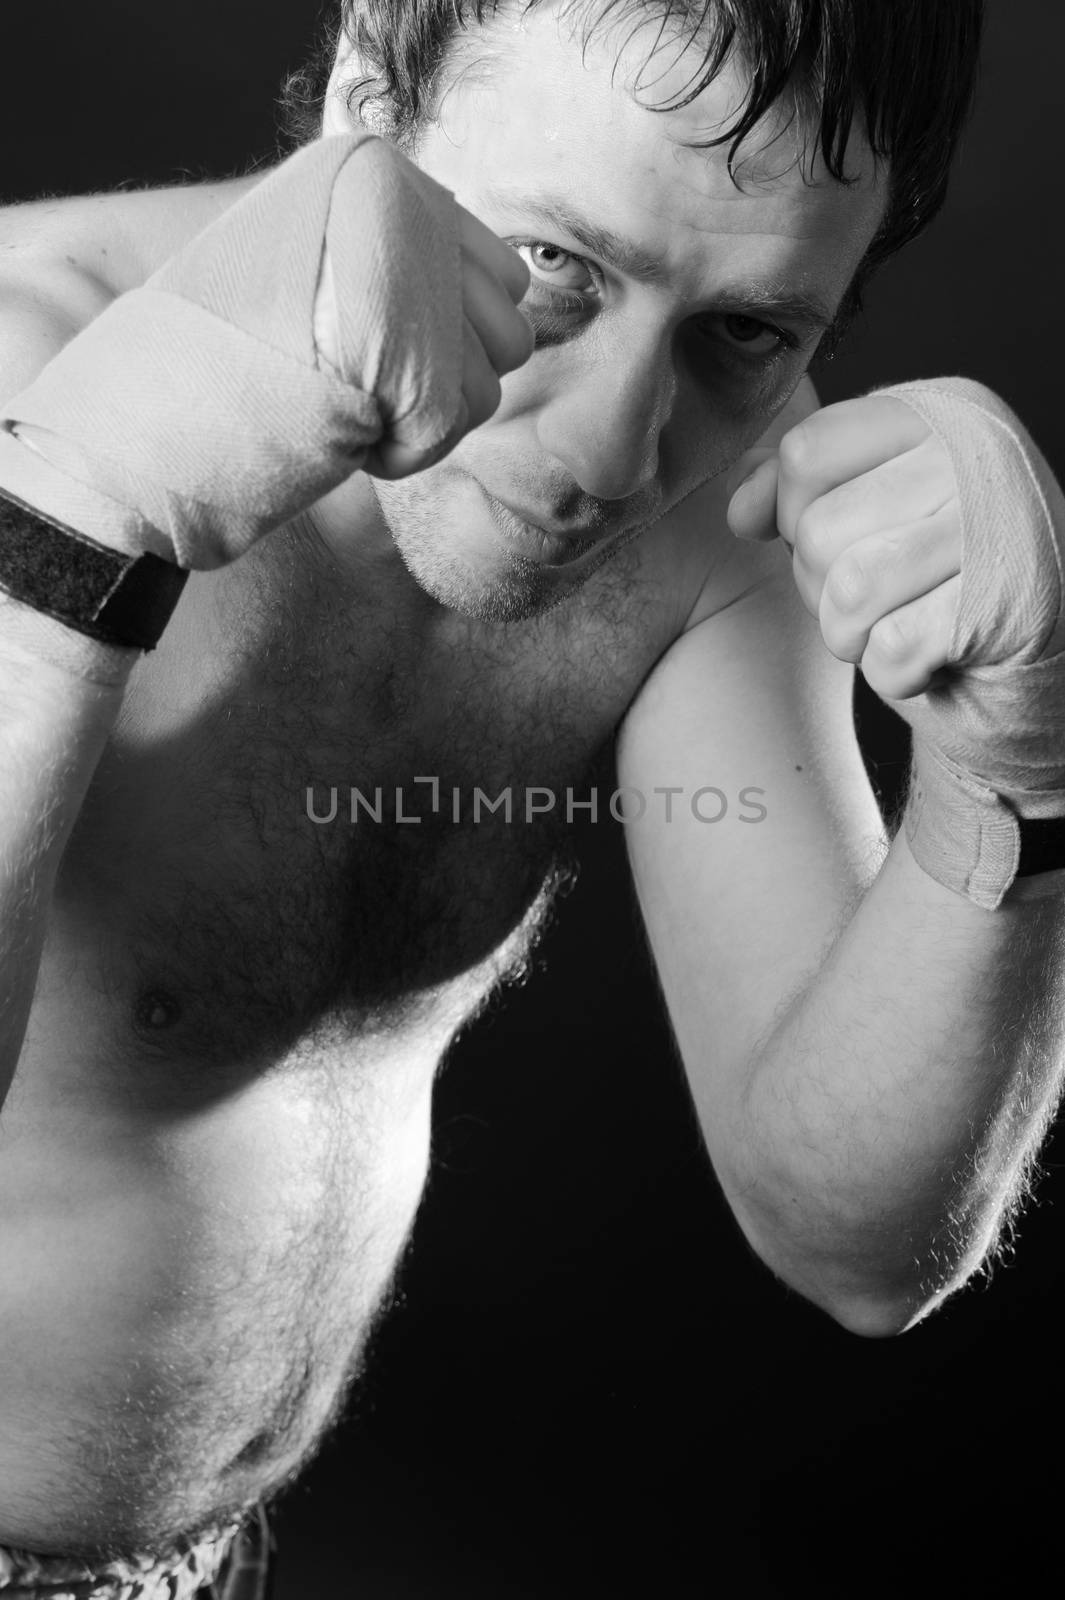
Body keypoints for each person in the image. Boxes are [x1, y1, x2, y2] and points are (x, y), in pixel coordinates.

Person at [2, 0, 1064, 1590]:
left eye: (748, 330)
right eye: (557, 266)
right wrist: (68, 534)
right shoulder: (19, 363)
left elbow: (851, 1240)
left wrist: (1018, 774)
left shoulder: (726, 485)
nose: (616, 456)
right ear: (370, 89)